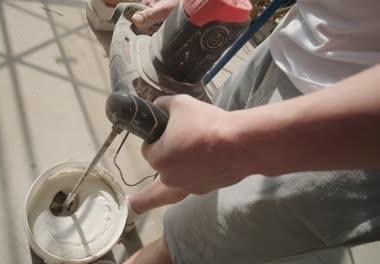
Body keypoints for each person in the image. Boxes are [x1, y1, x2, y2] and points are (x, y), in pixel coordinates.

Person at [120, 0, 380, 263]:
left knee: (186, 243)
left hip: (348, 134)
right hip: (285, 47)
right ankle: (132, 206)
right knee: (184, 159)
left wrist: (236, 141)